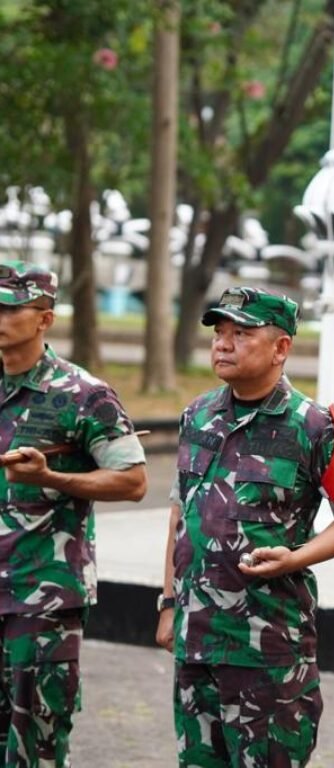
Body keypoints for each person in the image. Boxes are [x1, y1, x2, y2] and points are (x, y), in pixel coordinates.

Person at [156, 287, 334, 767]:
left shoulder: (313, 425)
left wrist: (296, 558)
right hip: (197, 643)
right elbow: (180, 515)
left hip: (268, 649)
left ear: (281, 348)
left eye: (241, 333)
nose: (223, 344)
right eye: (219, 333)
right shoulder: (198, 415)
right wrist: (169, 604)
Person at [0, 261, 147, 766]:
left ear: (45, 318)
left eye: (10, 307)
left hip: (40, 602)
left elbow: (132, 480)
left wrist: (52, 478)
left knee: (32, 749)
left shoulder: (83, 395)